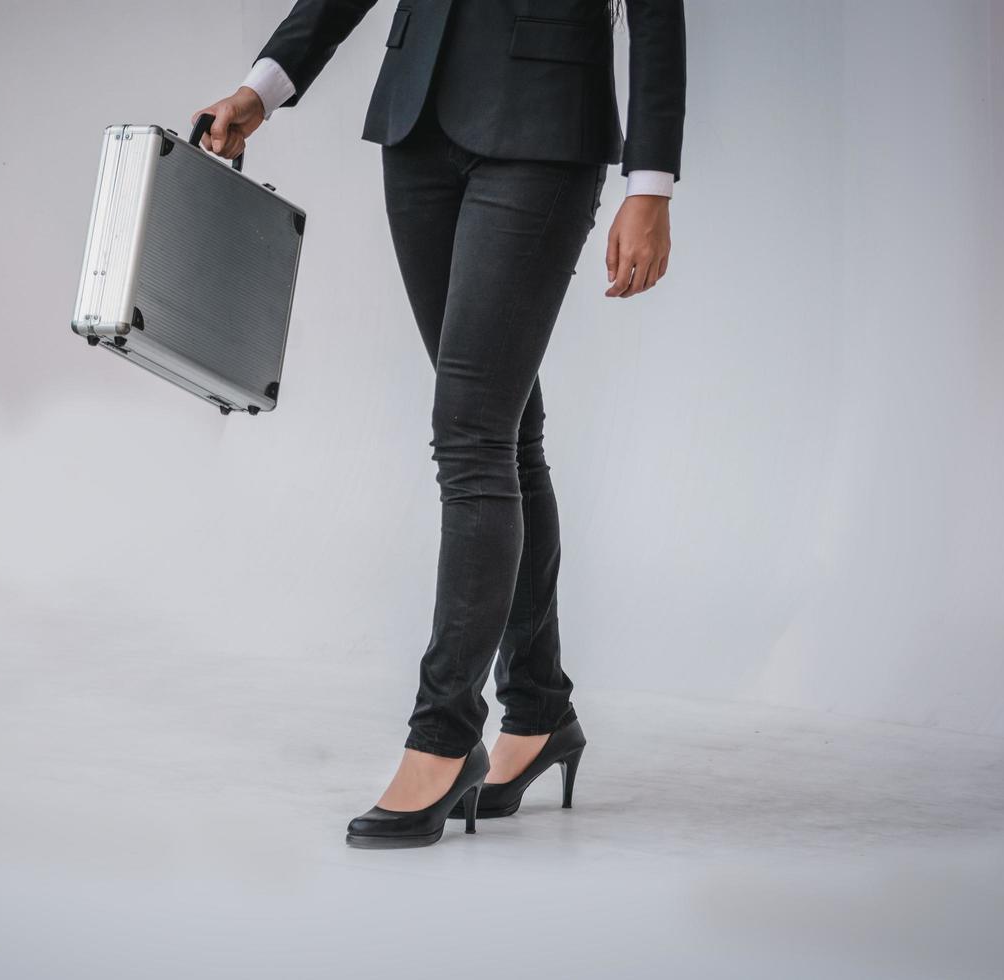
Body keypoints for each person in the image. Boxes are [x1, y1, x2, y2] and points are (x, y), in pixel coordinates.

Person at [192, 0, 685, 848]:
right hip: (416, 122)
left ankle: (444, 737)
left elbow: (656, 14)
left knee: (471, 437)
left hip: (544, 127)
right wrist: (261, 89)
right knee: (503, 429)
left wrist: (650, 185)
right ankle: (538, 712)